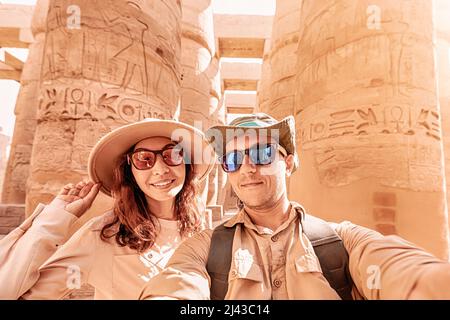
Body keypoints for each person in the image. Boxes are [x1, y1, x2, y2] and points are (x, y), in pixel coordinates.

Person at [139, 113, 450, 300]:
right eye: (233, 160)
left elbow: (404, 271)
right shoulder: (204, 247)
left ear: (287, 163)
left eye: (261, 154)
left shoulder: (340, 241)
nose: (247, 168)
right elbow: (178, 283)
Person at [0, 118, 215, 299]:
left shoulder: (198, 227)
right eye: (144, 159)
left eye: (173, 155)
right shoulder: (102, 235)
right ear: (130, 170)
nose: (161, 169)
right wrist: (54, 219)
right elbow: (15, 292)